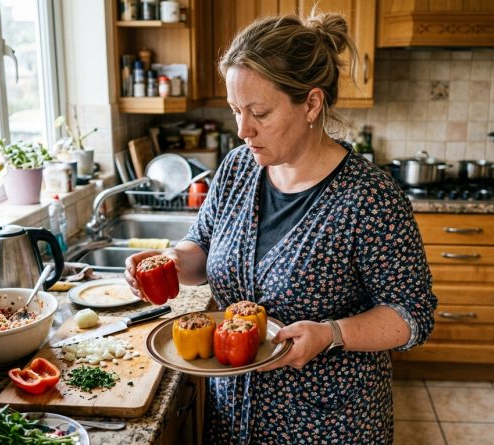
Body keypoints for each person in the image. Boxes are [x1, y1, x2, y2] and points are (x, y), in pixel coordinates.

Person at [125, 11, 437, 444]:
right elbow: (202, 245)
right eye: (236, 110)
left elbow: (411, 315)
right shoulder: (237, 169)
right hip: (234, 413)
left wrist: (332, 334)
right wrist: (171, 262)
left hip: (329, 424)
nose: (242, 129)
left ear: (311, 103)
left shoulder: (370, 197)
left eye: (260, 112)